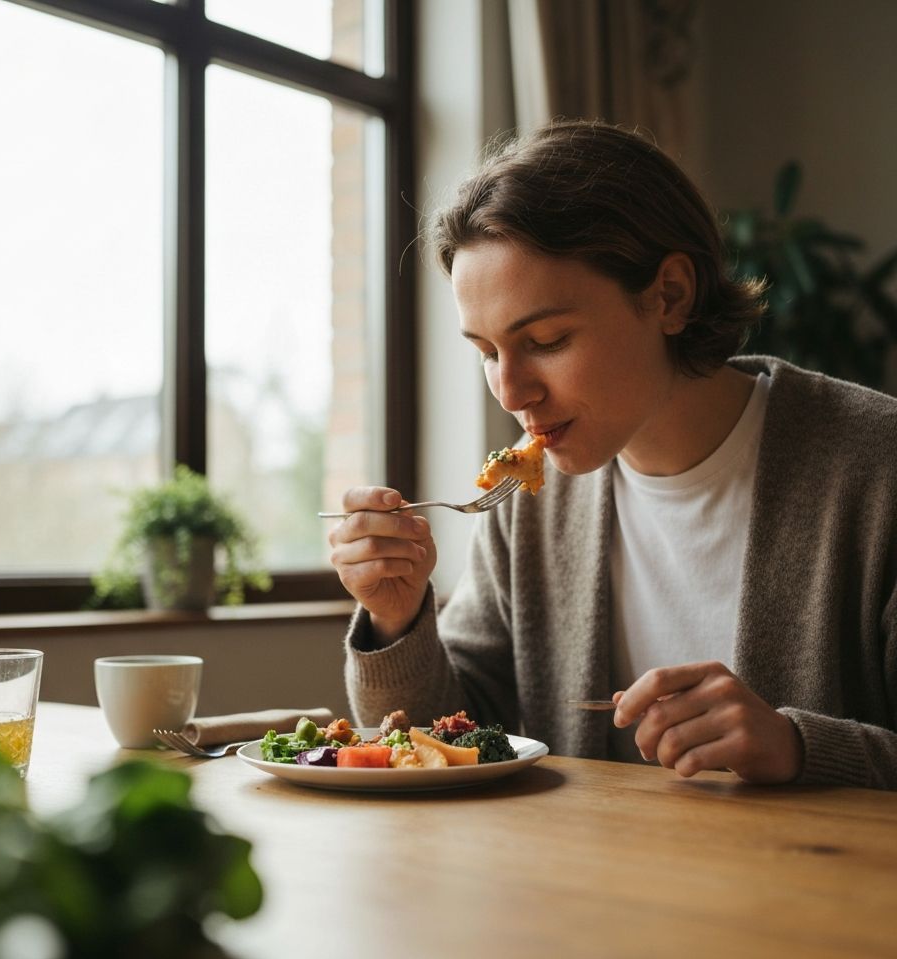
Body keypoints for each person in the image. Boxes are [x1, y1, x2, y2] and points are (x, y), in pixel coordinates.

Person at [328, 119, 897, 791]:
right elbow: (455, 737)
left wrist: (798, 747)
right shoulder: (528, 503)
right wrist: (398, 617)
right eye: (486, 352)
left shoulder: (874, 467)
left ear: (669, 296)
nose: (510, 391)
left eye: (545, 339)